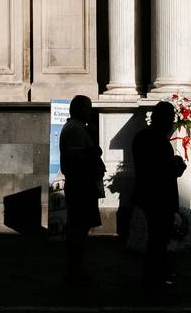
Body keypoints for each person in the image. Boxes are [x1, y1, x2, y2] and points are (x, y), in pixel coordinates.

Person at [132, 101, 187, 289]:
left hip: (147, 195)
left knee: (156, 237)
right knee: (159, 238)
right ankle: (155, 275)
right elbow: (163, 171)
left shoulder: (141, 137)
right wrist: (178, 166)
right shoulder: (159, 141)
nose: (172, 122)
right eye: (170, 118)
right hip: (160, 197)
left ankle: (154, 273)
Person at [60, 94, 106, 284]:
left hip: (79, 185)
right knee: (79, 228)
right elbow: (78, 159)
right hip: (81, 186)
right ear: (78, 109)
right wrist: (95, 156)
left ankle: (76, 268)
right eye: (87, 108)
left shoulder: (74, 128)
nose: (90, 112)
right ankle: (75, 270)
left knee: (78, 227)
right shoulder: (76, 129)